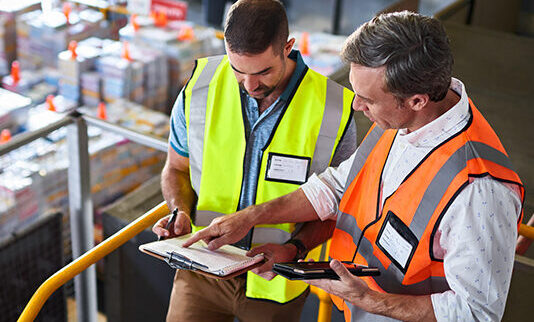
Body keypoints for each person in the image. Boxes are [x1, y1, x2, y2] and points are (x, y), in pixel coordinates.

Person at [185, 11, 525, 321]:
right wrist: (253, 218)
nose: (356, 104)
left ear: (417, 100)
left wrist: (368, 299)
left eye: (368, 98)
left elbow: (476, 312)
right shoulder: (400, 119)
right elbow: (336, 186)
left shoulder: (480, 189)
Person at [152, 0, 357, 321]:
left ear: (288, 47)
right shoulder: (200, 87)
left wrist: (295, 249)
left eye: (263, 72)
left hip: (275, 283)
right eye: (238, 70)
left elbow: (338, 207)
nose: (249, 85)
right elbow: (176, 168)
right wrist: (178, 211)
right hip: (201, 268)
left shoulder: (335, 109)